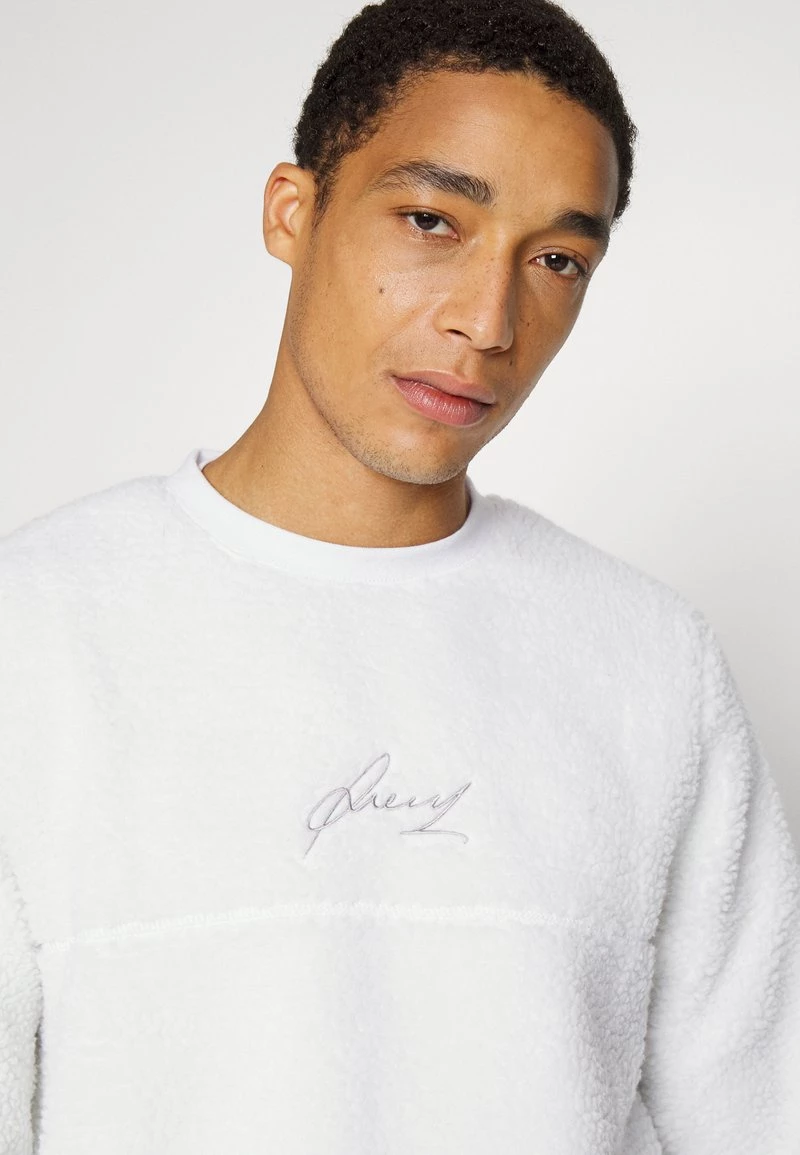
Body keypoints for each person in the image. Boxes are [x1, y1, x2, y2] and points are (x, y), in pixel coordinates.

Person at [1, 0, 798, 1150]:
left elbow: (759, 1117)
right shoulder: (37, 634)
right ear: (293, 211)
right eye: (431, 220)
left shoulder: (648, 664)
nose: (487, 319)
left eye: (556, 259)